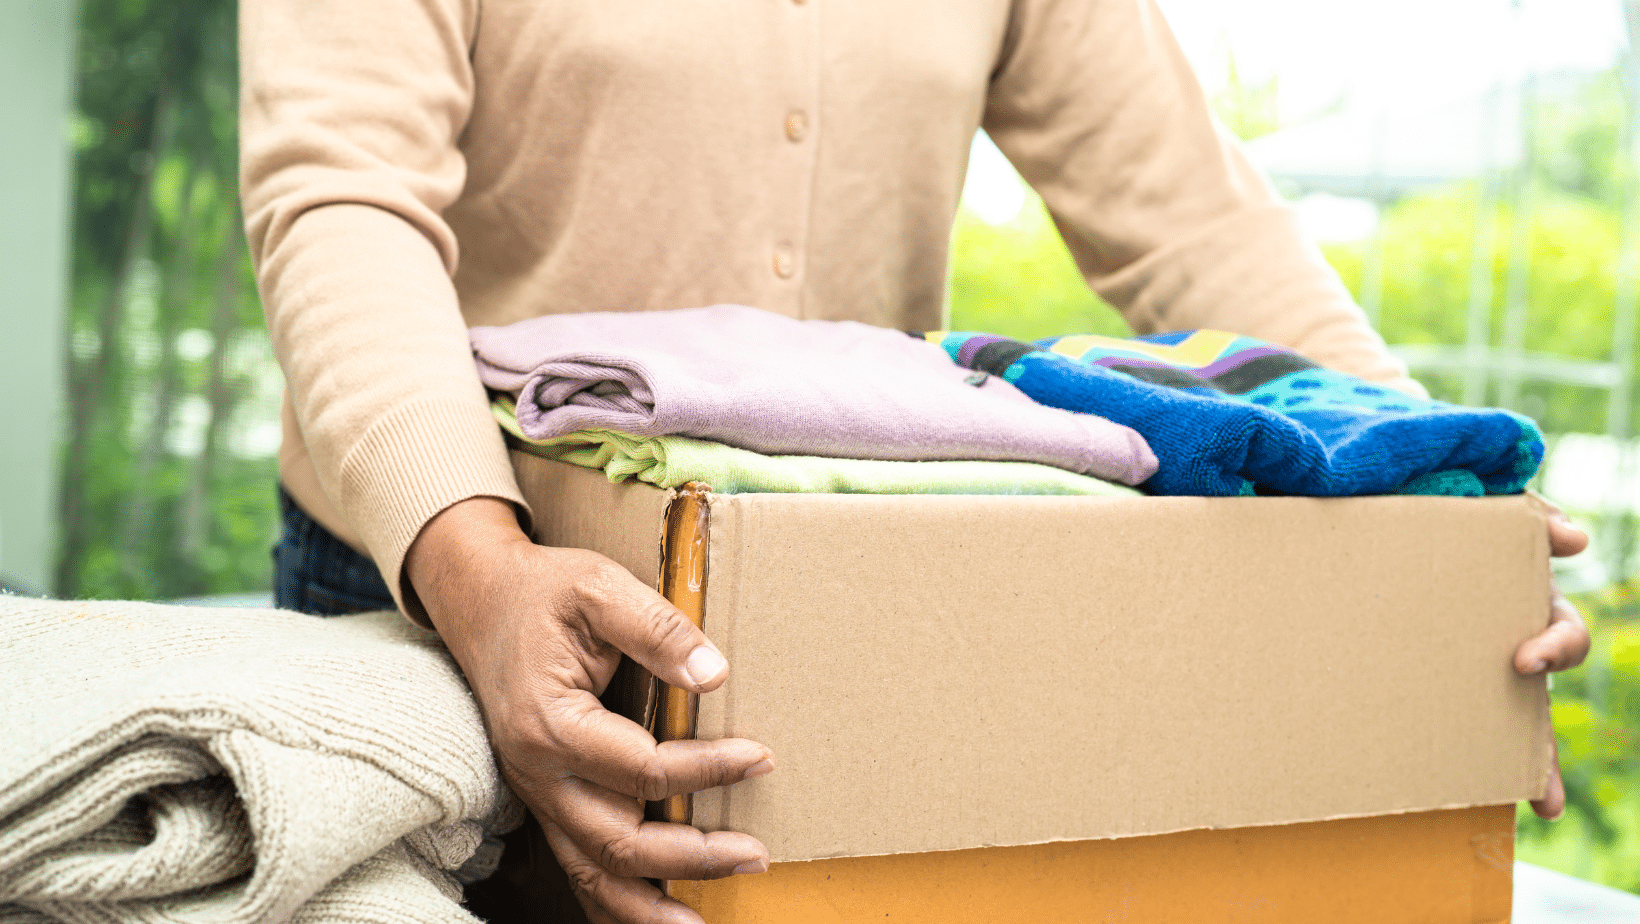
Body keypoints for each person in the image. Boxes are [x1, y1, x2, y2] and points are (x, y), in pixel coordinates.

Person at [239, 1, 1590, 922]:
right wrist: (478, 567)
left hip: (810, 593)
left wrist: (1436, 507)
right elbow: (341, 191)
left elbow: (1191, 215)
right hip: (446, 565)